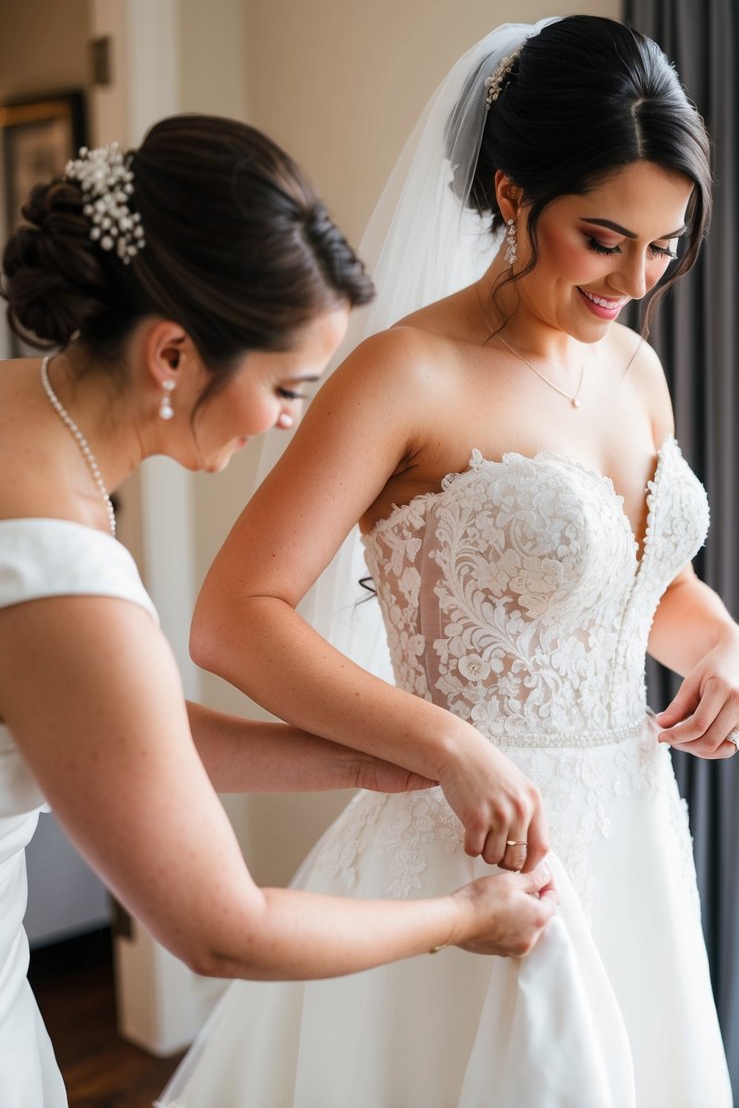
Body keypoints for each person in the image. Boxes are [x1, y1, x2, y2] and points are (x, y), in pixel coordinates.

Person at [157, 18, 739, 1108]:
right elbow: (234, 616)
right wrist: (444, 744)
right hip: (466, 843)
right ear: (513, 194)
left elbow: (638, 585)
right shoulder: (402, 374)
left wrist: (726, 645)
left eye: (666, 244)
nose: (636, 277)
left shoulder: (631, 365)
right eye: (604, 237)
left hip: (631, 838)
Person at [0, 115, 558, 1108]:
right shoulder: (62, 569)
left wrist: (357, 758)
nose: (292, 420)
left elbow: (110, 732)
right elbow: (222, 930)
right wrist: (464, 916)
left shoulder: (21, 426)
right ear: (172, 354)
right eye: (287, 386)